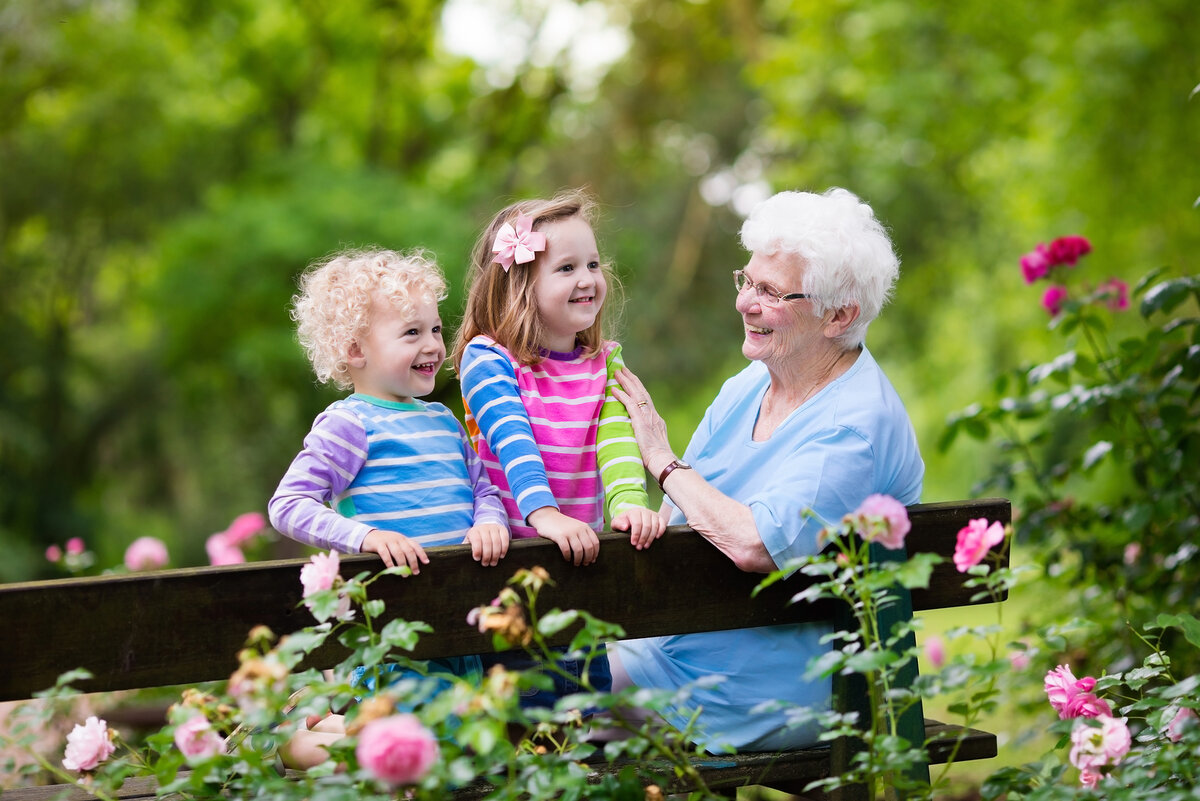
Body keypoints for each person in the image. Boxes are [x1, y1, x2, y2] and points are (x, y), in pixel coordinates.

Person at [608, 187, 925, 753]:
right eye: (747, 281)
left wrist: (660, 459)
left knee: (538, 694)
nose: (745, 304)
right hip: (691, 644)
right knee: (527, 674)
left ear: (840, 315)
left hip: (784, 689)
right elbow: (679, 518)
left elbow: (757, 544)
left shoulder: (853, 425)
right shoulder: (748, 386)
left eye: (771, 292)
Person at [267, 248, 510, 767]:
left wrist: (489, 521)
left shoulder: (444, 421)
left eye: (435, 330)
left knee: (452, 747)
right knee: (398, 750)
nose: (432, 346)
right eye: (411, 333)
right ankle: (295, 740)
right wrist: (366, 537)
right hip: (392, 632)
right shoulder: (350, 424)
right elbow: (288, 505)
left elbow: (484, 489)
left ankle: (322, 721)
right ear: (355, 349)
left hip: (455, 624)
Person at [449, 188, 665, 703]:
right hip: (504, 568)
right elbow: (511, 441)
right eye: (566, 268)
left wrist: (629, 504)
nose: (588, 279)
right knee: (520, 704)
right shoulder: (489, 359)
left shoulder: (605, 363)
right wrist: (543, 513)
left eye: (592, 263)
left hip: (578, 564)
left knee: (581, 695)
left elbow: (614, 441)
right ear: (522, 285)